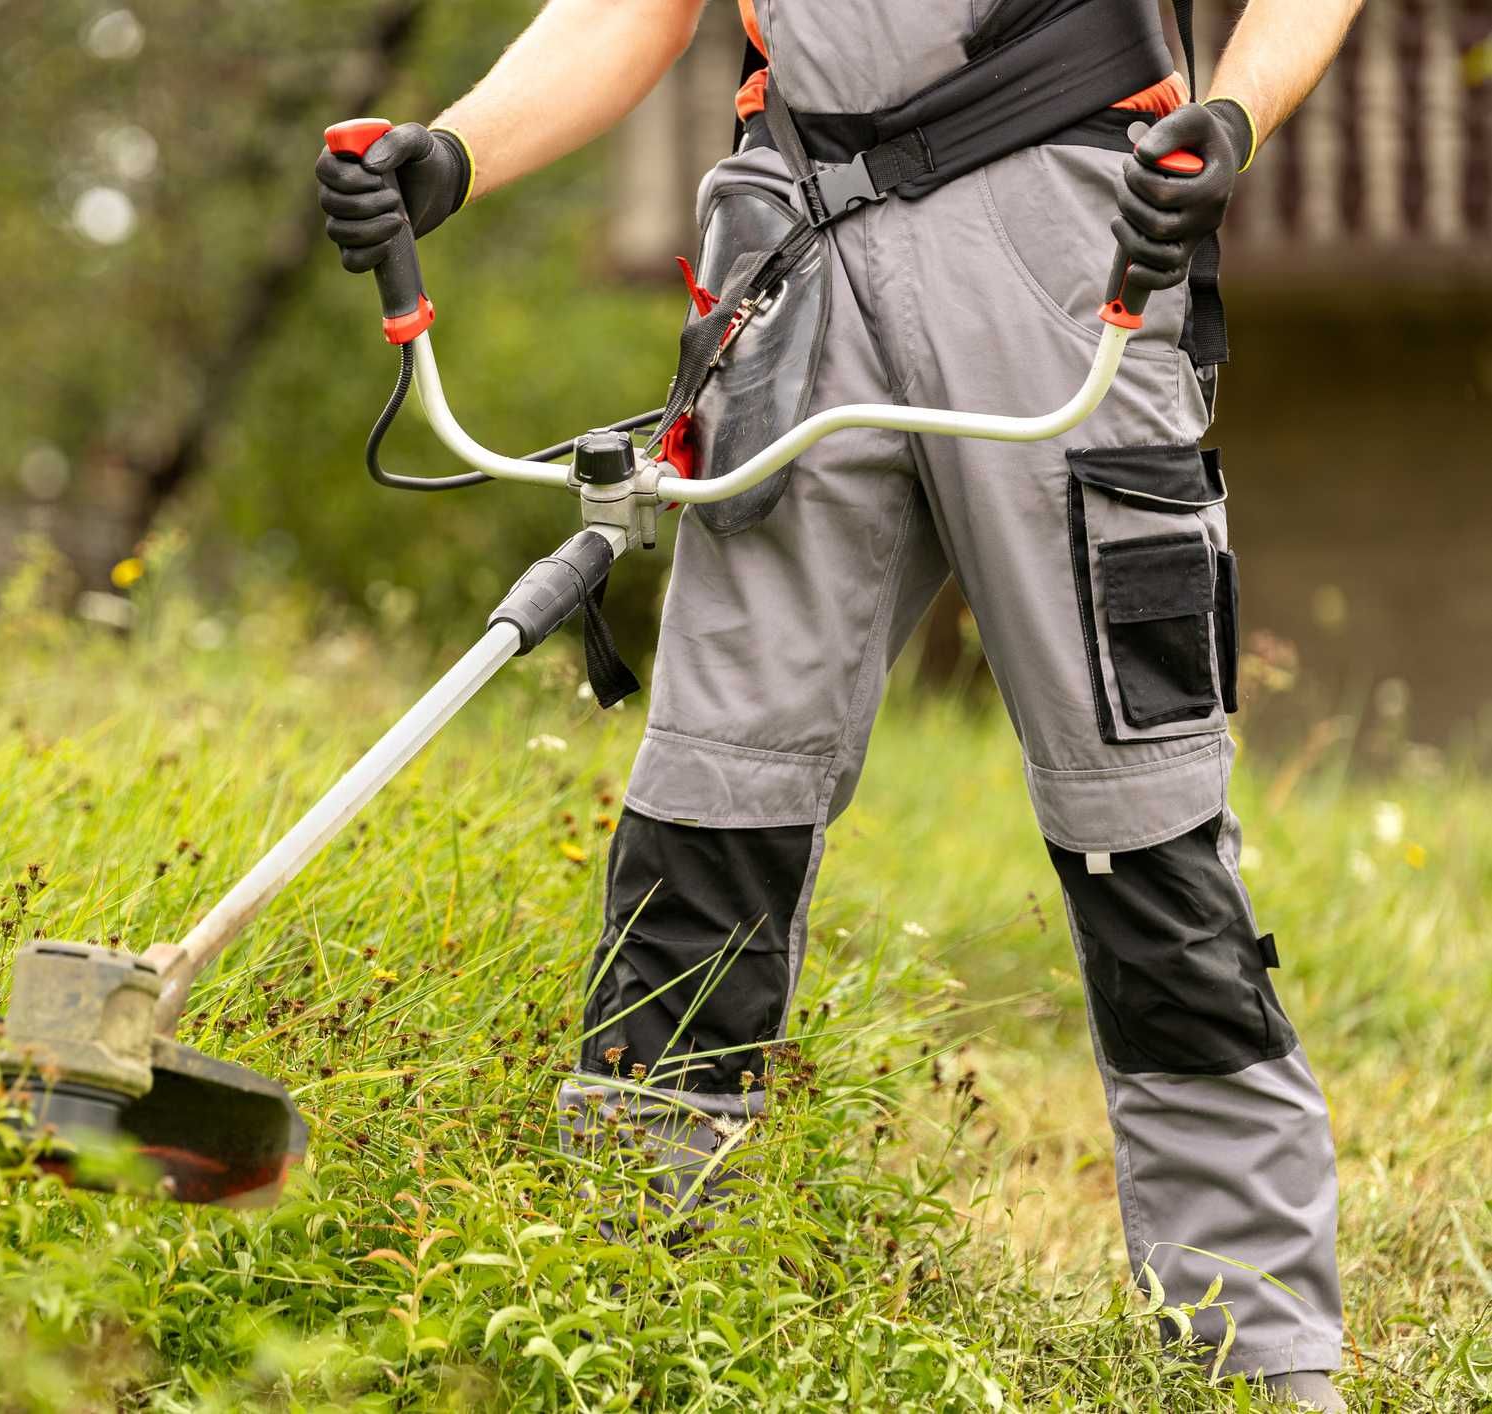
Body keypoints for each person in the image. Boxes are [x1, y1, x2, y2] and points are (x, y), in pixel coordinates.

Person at [317, 1, 1364, 1407]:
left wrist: (1229, 117)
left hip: (1064, 235)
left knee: (1144, 833)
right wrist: (454, 151)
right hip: (798, 255)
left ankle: (1261, 1355)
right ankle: (627, 1299)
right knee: (710, 802)